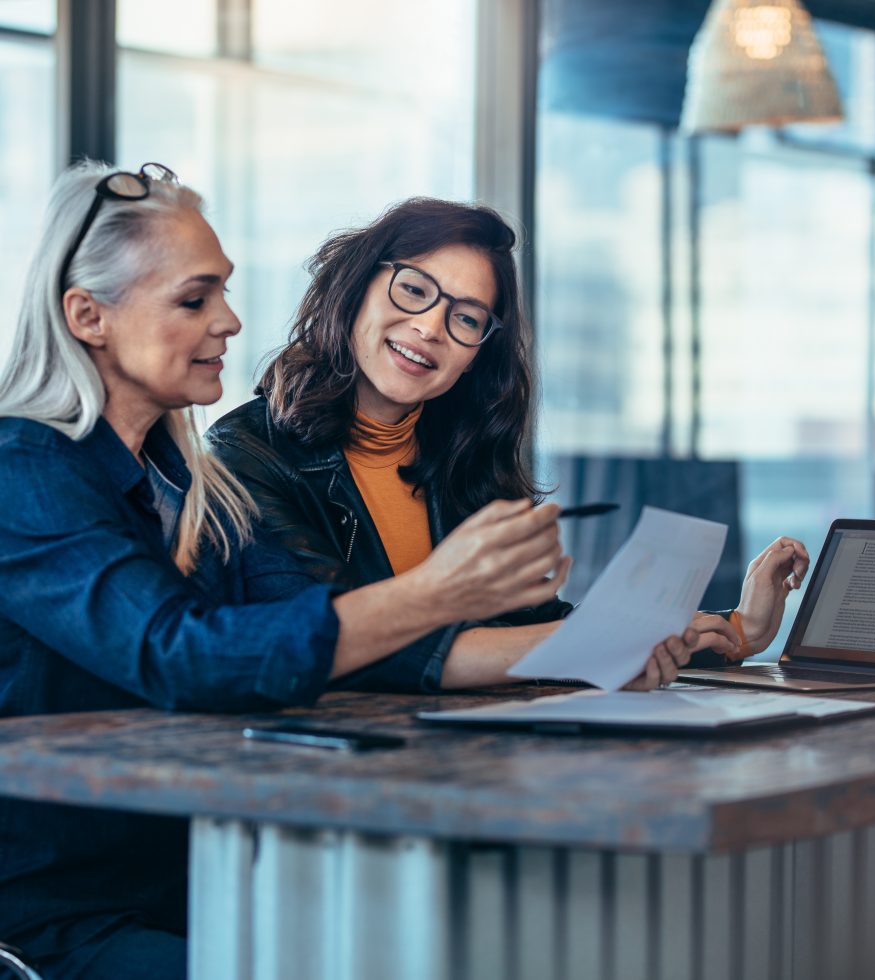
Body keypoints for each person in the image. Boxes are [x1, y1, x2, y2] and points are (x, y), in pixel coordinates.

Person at [0, 163, 699, 979]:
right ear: (89, 316)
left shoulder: (192, 485)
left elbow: (330, 629)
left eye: (223, 291)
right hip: (58, 913)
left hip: (200, 872)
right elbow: (180, 653)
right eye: (195, 299)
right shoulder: (24, 470)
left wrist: (610, 642)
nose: (228, 320)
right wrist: (440, 592)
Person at [208, 198, 810, 690]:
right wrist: (602, 645)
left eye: (466, 318)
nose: (430, 327)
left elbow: (530, 628)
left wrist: (737, 630)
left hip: (463, 764)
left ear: (477, 356)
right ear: (356, 287)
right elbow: (341, 644)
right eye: (414, 289)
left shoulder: (459, 459)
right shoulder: (244, 456)